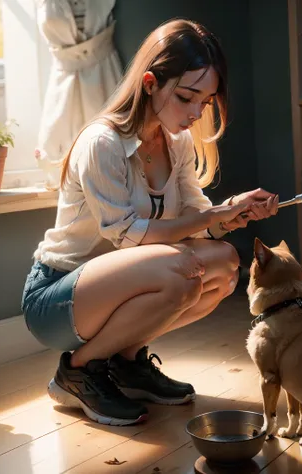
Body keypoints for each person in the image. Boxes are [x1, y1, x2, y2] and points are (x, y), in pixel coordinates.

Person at [22, 18, 279, 427]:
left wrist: (232, 211)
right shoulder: (102, 142)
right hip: (56, 298)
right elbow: (128, 237)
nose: (196, 112)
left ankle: (128, 363)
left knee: (224, 263)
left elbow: (198, 222)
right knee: (180, 271)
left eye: (206, 101)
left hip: (117, 285)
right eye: (186, 97)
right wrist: (213, 215)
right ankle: (77, 370)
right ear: (148, 83)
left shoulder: (175, 143)